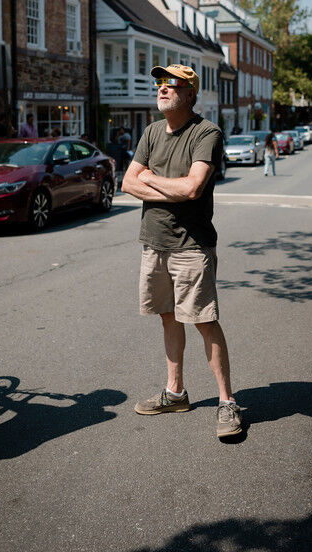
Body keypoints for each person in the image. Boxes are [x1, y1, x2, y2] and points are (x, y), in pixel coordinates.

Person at [121, 64, 241, 439]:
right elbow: (127, 182)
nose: (163, 88)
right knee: (167, 318)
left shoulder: (206, 132)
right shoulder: (152, 131)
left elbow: (192, 188)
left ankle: (227, 403)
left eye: (172, 83)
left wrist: (150, 179)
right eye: (160, 82)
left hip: (192, 246)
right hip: (154, 243)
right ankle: (176, 393)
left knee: (205, 321)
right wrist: (159, 184)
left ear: (191, 94)